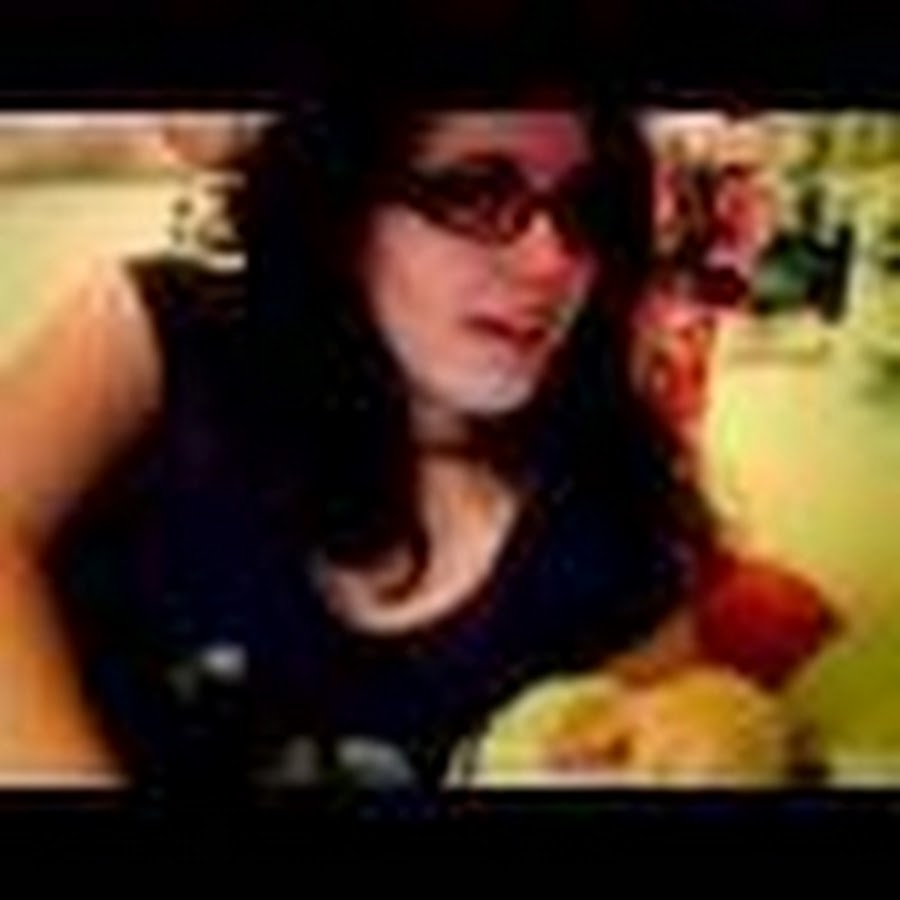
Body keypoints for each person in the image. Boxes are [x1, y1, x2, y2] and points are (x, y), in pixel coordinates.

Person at [0, 39, 830, 793]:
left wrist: (728, 720)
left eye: (583, 209)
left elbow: (673, 720)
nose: (553, 262)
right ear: (344, 206)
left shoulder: (605, 515)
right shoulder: (162, 336)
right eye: (477, 191)